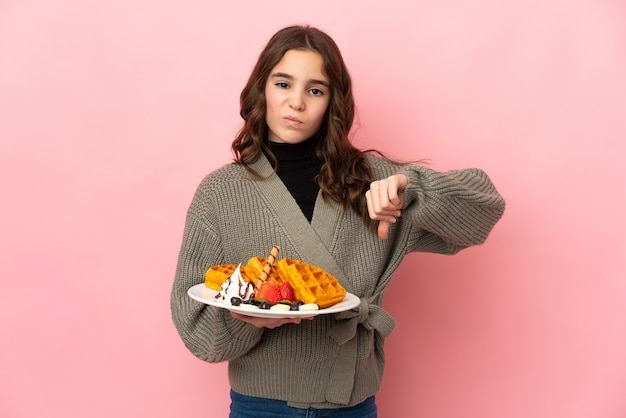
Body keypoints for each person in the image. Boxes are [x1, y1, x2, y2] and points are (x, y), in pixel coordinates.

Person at [171, 25, 505, 417]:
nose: (296, 102)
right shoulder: (219, 193)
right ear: (261, 89)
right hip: (261, 407)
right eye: (283, 84)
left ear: (333, 102)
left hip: (353, 405)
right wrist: (254, 320)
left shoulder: (376, 182)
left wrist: (412, 190)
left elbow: (485, 208)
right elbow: (197, 329)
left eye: (315, 90)